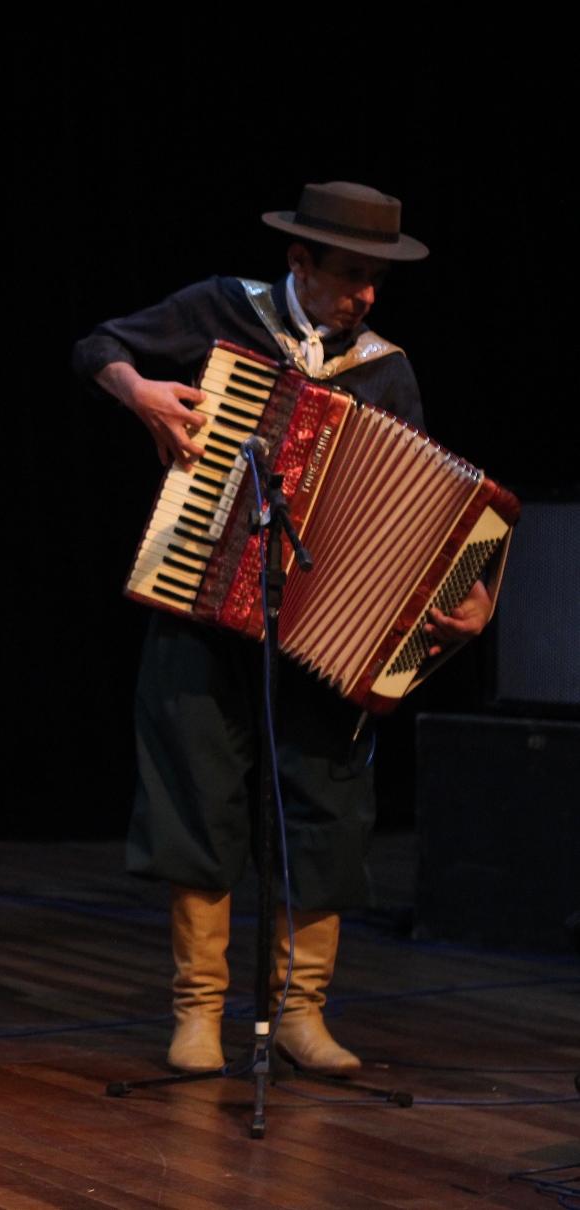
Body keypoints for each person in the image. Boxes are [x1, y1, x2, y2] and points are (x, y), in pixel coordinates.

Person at [72, 182, 493, 1076]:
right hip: (203, 600)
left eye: (376, 278)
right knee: (196, 799)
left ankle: (301, 1013)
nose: (366, 296)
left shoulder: (387, 367)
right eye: (350, 275)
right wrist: (141, 393)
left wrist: (466, 599)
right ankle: (197, 1012)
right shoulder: (222, 310)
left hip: (322, 637)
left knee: (329, 810)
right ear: (299, 261)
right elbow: (96, 346)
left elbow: (426, 519)